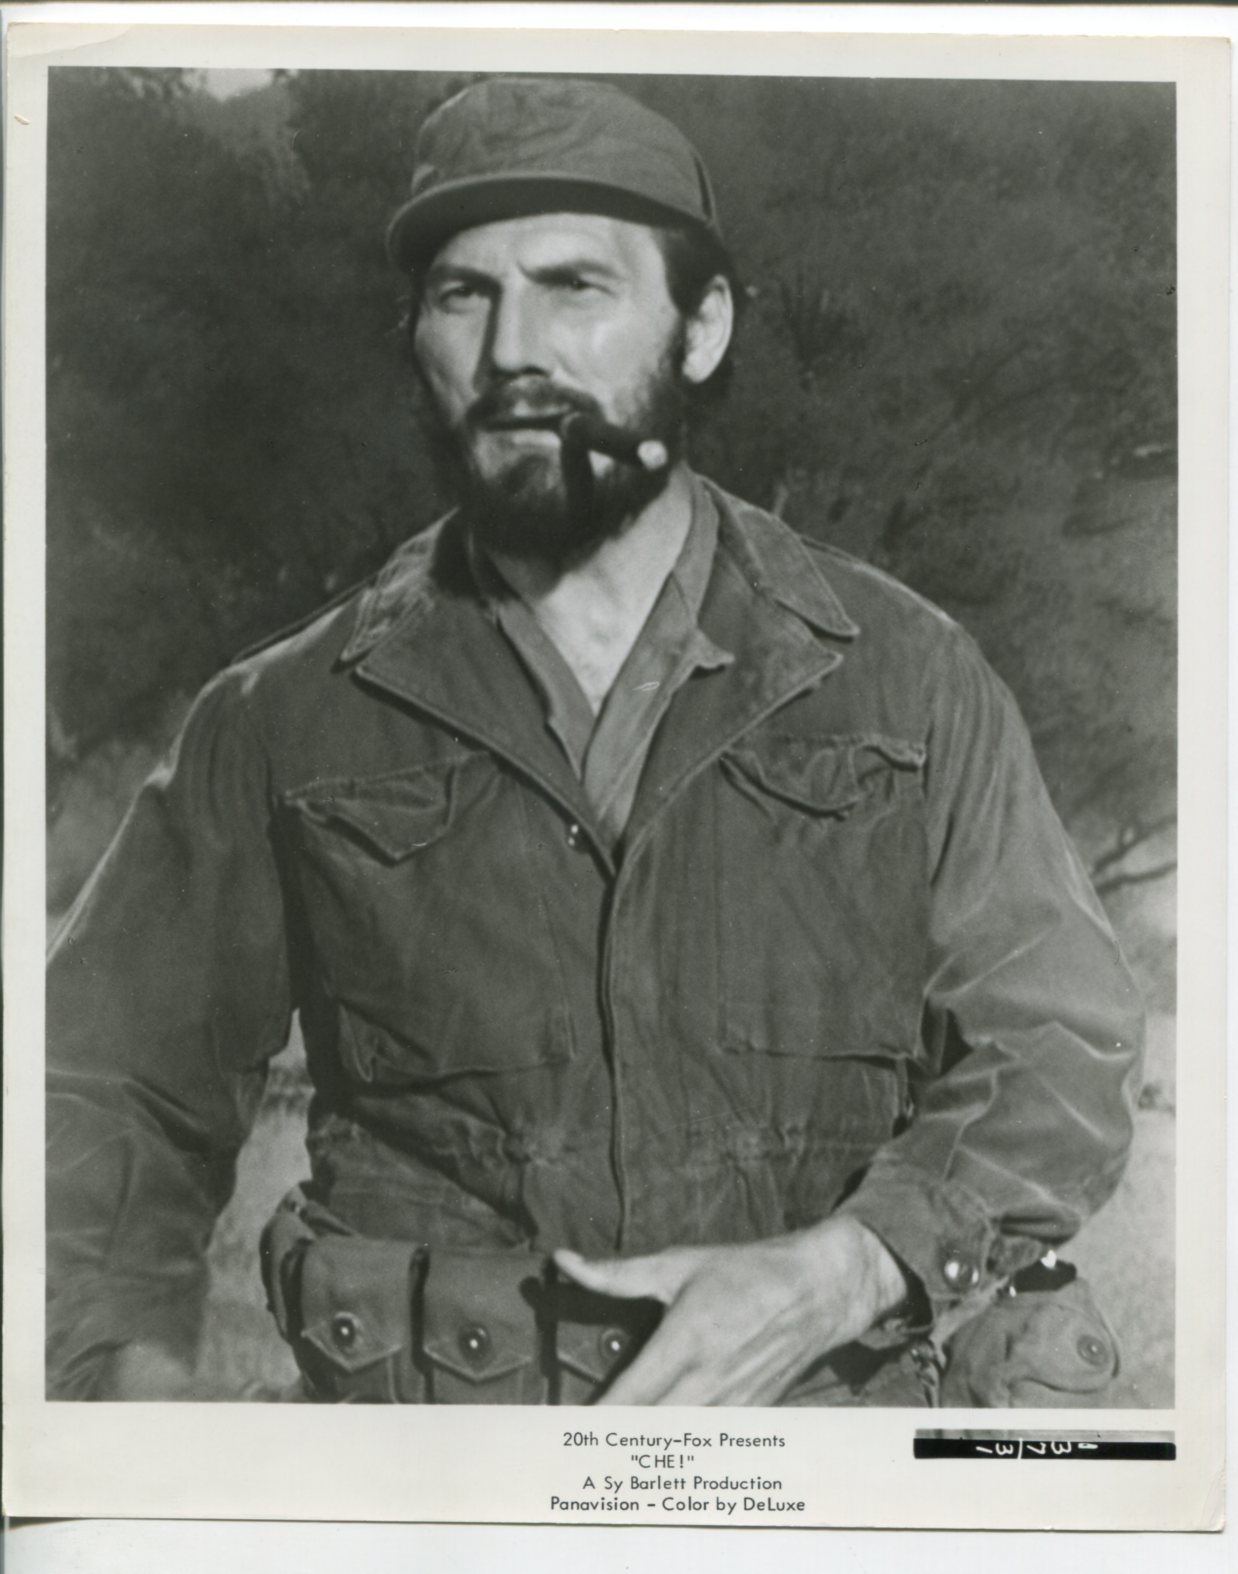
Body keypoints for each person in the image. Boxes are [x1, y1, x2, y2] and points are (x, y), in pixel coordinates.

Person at [46, 75, 1144, 1407]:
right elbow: (102, 1090)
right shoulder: (281, 718)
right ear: (417, 337)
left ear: (701, 326)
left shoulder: (908, 681)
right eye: (464, 294)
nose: (514, 347)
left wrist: (848, 1270)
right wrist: (127, 1397)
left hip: (821, 1464)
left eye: (575, 286)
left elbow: (1061, 1040)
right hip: (446, 1472)